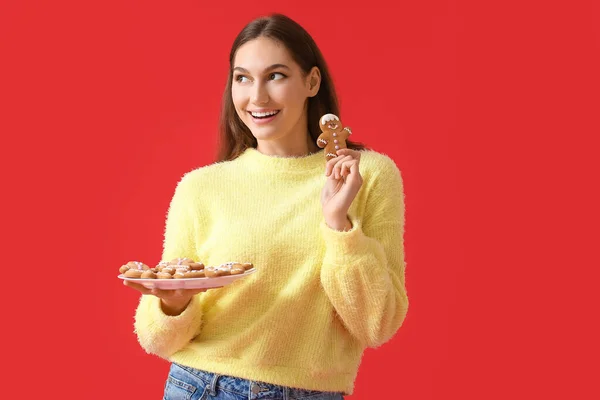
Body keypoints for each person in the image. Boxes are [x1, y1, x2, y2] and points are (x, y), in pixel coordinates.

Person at [124, 13, 409, 400]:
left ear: (311, 81)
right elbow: (155, 338)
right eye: (242, 78)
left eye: (275, 76)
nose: (256, 97)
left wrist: (338, 224)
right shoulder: (200, 187)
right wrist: (173, 305)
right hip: (199, 385)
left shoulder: (366, 175)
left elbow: (377, 324)